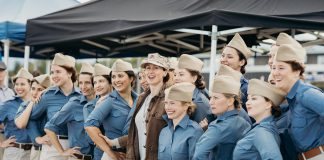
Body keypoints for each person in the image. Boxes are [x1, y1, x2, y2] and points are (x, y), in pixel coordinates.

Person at [272, 44, 324, 160]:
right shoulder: (292, 99)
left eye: (281, 68)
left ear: (297, 71)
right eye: (273, 68)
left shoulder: (306, 94)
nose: (275, 73)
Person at [27, 53, 81, 160]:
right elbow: (31, 118)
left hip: (77, 147)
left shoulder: (82, 96)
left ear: (70, 73)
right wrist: (37, 138)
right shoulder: (47, 96)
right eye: (52, 72)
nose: (54, 76)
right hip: (52, 148)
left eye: (58, 72)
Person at [85, 59, 137, 160]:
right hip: (116, 155)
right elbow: (89, 125)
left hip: (134, 154)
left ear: (131, 78)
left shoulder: (140, 100)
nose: (116, 80)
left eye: (120, 76)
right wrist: (111, 153)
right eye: (113, 77)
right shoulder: (109, 101)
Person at [44, 62, 95, 160]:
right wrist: (62, 151)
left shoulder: (101, 104)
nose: (83, 86)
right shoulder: (74, 104)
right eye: (80, 83)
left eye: (87, 82)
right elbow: (49, 127)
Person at [193, 75, 251, 160]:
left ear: (230, 101)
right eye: (211, 97)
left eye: (216, 98)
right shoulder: (244, 123)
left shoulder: (218, 127)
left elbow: (199, 155)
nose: (211, 102)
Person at [233, 79, 286, 160]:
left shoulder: (262, 132)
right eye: (248, 99)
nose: (247, 102)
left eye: (254, 99)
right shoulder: (262, 128)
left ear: (268, 104)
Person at [158, 82, 203, 160]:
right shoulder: (164, 131)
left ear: (185, 106)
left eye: (172, 103)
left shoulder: (195, 131)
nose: (167, 107)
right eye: (166, 103)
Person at [15, 74, 51, 160]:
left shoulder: (52, 105)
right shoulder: (24, 105)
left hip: (52, 149)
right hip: (37, 150)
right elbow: (20, 124)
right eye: (33, 88)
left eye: (40, 90)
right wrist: (31, 103)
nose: (35, 93)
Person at [0, 68, 33, 160]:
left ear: (30, 85)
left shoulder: (37, 104)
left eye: (22, 84)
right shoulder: (8, 104)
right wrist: (2, 143)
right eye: (16, 84)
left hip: (34, 152)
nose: (18, 87)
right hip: (14, 152)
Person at [83, 63, 113, 160]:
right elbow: (90, 138)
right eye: (95, 83)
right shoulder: (89, 107)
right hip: (101, 152)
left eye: (101, 81)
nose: (97, 85)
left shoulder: (122, 102)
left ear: (110, 82)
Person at [174, 54, 210, 123]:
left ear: (194, 78)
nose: (176, 78)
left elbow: (199, 132)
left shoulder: (199, 103)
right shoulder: (184, 97)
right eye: (175, 74)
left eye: (181, 74)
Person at [220, 33, 252, 111]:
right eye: (223, 55)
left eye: (229, 57)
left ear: (242, 62)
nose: (223, 60)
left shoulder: (247, 89)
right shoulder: (220, 84)